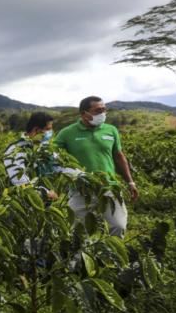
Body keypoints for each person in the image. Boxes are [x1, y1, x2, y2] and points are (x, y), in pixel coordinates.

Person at [54, 96, 138, 236]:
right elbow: (53, 156)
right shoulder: (67, 133)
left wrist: (130, 181)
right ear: (84, 114)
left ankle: (110, 256)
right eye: (98, 111)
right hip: (81, 189)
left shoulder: (111, 130)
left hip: (109, 187)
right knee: (74, 230)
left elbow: (119, 156)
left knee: (119, 226)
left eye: (104, 110)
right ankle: (79, 257)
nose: (103, 114)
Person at [3, 111, 69, 200]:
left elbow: (59, 166)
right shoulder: (15, 149)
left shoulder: (45, 147)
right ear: (36, 130)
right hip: (25, 202)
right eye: (48, 129)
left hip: (48, 200)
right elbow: (20, 181)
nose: (50, 132)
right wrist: (46, 192)